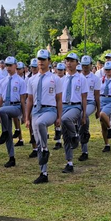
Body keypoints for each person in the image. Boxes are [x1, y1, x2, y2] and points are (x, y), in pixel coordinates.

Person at [25, 49, 63, 184]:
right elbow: (30, 100)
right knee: (38, 142)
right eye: (39, 59)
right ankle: (43, 173)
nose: (40, 62)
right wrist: (27, 117)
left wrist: (59, 117)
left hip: (50, 110)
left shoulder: (55, 79)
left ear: (49, 61)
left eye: (43, 59)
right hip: (36, 110)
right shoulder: (31, 79)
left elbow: (59, 99)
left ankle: (46, 149)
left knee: (40, 124)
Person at [0, 57, 27, 168]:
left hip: (15, 106)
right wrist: (0, 114)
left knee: (6, 129)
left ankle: (4, 132)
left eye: (10, 65)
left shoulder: (21, 81)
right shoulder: (3, 81)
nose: (8, 67)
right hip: (5, 107)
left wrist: (24, 115)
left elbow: (23, 100)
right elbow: (1, 98)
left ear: (15, 66)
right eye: (7, 65)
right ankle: (11, 157)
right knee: (8, 133)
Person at [60, 52, 88, 173]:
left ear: (77, 63)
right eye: (67, 61)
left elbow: (84, 98)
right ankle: (69, 163)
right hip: (64, 106)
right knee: (65, 136)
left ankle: (75, 135)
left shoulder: (81, 78)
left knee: (66, 119)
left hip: (75, 106)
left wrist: (84, 114)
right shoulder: (62, 79)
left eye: (72, 61)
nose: (69, 63)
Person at [78, 55, 101, 161]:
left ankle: (84, 151)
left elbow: (97, 95)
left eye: (87, 65)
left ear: (91, 65)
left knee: (84, 115)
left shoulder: (95, 78)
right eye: (83, 65)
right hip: (78, 103)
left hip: (90, 102)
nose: (85, 67)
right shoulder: (77, 77)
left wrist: (98, 110)